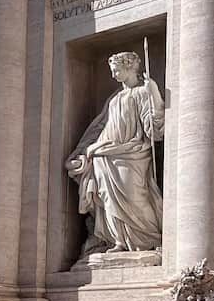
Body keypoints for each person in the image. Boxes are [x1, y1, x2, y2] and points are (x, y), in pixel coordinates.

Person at [66, 50, 164, 256]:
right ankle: (117, 240)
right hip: (104, 154)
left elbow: (154, 128)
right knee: (107, 199)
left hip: (132, 153)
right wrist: (86, 150)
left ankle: (150, 238)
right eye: (112, 71)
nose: (113, 75)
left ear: (130, 68)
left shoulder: (143, 92)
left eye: (117, 70)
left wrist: (154, 91)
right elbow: (102, 126)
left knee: (136, 196)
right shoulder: (115, 97)